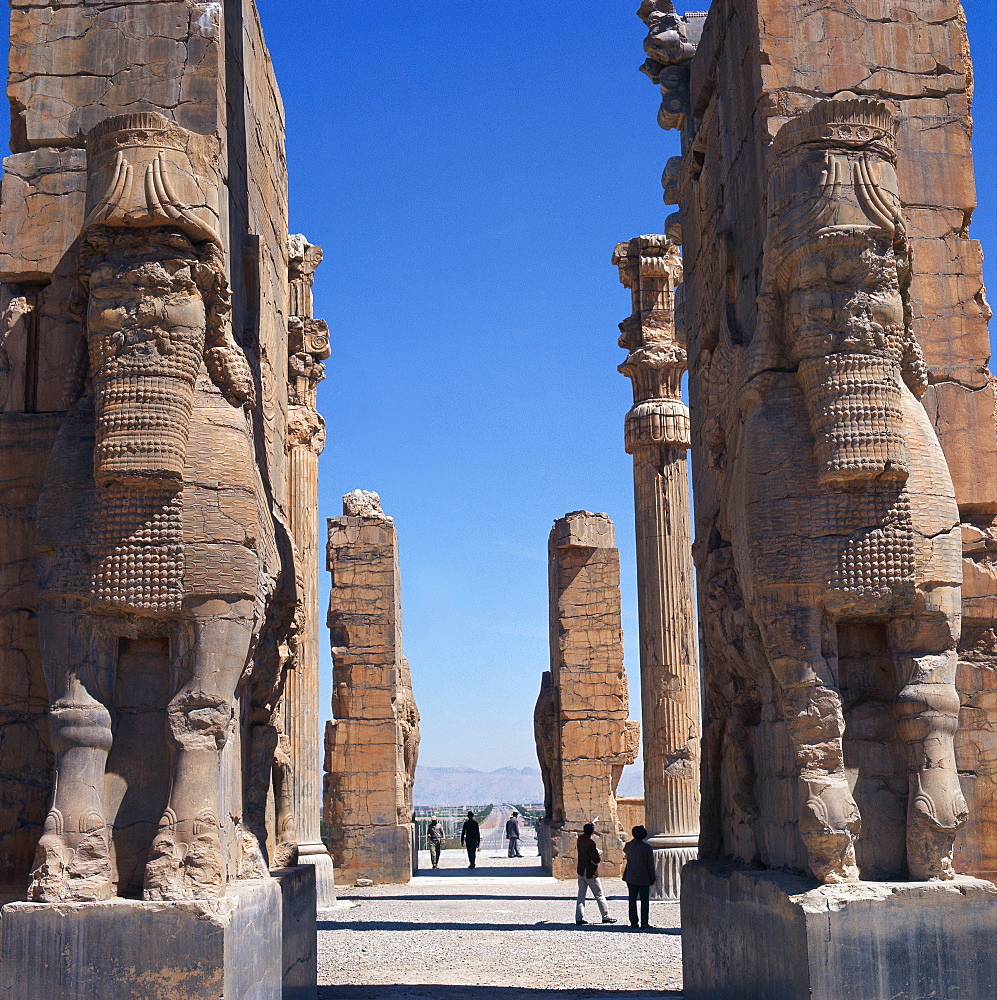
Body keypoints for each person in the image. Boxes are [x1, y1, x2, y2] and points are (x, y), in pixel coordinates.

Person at [575, 823, 617, 925]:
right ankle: (605, 916)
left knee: (581, 895)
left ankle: (579, 917)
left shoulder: (580, 839)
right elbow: (596, 860)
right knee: (599, 895)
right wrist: (598, 853)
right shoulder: (591, 843)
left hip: (581, 870)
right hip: (590, 871)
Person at [622, 825, 657, 929]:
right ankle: (644, 922)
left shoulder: (628, 846)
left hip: (631, 875)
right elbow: (650, 864)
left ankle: (633, 922)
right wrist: (652, 877)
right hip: (643, 876)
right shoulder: (647, 848)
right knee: (644, 901)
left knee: (632, 900)